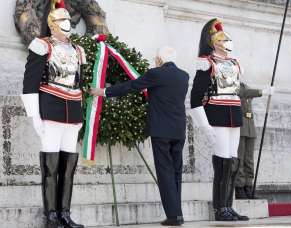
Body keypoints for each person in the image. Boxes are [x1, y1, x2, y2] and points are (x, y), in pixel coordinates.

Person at [90, 47, 189, 226]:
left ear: (159, 60)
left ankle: (174, 216)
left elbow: (131, 86)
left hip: (161, 131)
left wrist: (103, 91)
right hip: (179, 130)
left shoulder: (156, 74)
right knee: (175, 172)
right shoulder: (184, 76)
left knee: (165, 172)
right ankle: (178, 213)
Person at [21, 1, 86, 227]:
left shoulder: (79, 50)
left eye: (68, 19)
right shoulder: (41, 45)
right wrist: (34, 116)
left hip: (73, 112)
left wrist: (81, 117)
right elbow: (30, 83)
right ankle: (51, 216)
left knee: (68, 167)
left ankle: (64, 213)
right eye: (61, 20)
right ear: (52, 23)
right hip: (51, 107)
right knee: (51, 166)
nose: (67, 23)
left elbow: (80, 83)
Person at [190, 18, 248, 221]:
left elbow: (237, 91)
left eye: (227, 40)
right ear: (214, 42)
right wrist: (204, 125)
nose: (227, 43)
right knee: (222, 160)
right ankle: (219, 208)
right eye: (223, 40)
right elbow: (195, 98)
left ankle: (228, 206)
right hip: (217, 113)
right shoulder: (207, 63)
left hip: (234, 113)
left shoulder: (234, 63)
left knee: (232, 160)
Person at [236, 82, 274, 199]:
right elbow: (244, 93)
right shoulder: (234, 85)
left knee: (249, 159)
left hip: (250, 126)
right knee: (240, 158)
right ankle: (240, 187)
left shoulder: (246, 85)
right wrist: (262, 92)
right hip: (241, 126)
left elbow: (248, 92)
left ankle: (249, 186)